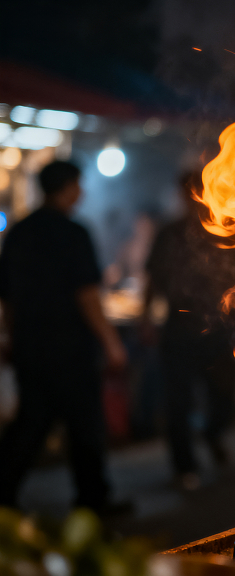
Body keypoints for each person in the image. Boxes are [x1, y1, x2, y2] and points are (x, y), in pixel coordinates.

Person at [0, 160, 128, 514]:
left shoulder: (19, 233)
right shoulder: (74, 232)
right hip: (70, 347)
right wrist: (111, 342)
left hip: (30, 345)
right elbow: (87, 296)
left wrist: (12, 339)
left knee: (31, 422)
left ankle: (5, 493)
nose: (82, 192)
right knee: (84, 425)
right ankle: (93, 501)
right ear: (66, 187)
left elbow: (7, 298)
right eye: (78, 184)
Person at [143, 172, 235, 490]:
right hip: (181, 327)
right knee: (177, 400)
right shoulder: (169, 234)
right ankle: (184, 466)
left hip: (222, 326)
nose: (192, 198)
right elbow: (153, 279)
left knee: (225, 395)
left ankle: (213, 432)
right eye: (186, 192)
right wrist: (145, 318)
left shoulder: (226, 232)